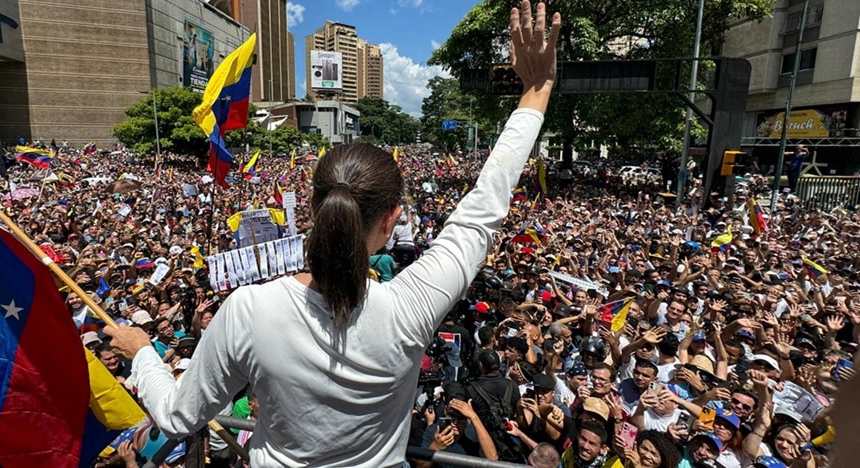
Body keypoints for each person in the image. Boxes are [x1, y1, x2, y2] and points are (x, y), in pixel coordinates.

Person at [104, 2, 562, 465]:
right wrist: (536, 90)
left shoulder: (249, 310)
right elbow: (481, 210)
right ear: (392, 220)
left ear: (311, 208)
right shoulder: (412, 308)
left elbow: (179, 417)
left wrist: (142, 353)